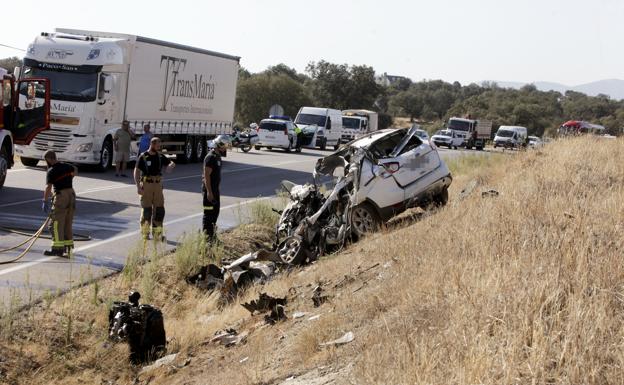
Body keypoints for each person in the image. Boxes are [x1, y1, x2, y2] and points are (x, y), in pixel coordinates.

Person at [134, 137, 175, 240]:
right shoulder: (143, 156)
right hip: (146, 185)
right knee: (147, 210)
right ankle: (145, 233)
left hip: (158, 186)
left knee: (159, 210)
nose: (159, 147)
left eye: (159, 145)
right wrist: (138, 187)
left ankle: (157, 234)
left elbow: (170, 163)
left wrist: (171, 165)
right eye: (157, 145)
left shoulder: (160, 156)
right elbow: (136, 171)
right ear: (152, 144)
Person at [42, 150, 77, 257]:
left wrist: (45, 200)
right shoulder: (67, 166)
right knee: (67, 222)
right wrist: (70, 177)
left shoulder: (51, 171)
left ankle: (57, 249)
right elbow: (75, 170)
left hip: (61, 196)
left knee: (56, 224)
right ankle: (68, 247)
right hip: (71, 194)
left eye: (45, 161)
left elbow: (48, 187)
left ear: (48, 159)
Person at [202, 136, 227, 240]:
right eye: (225, 145)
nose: (226, 147)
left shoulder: (218, 157)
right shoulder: (210, 157)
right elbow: (206, 176)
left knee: (215, 213)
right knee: (208, 214)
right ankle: (207, 239)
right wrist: (209, 192)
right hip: (209, 190)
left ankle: (212, 236)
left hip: (215, 190)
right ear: (220, 145)